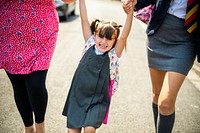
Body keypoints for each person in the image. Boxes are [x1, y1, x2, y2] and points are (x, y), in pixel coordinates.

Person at [123, 0, 200, 132]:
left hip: (186, 39)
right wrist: (133, 2)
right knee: (157, 94)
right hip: (159, 32)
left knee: (165, 104)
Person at [0, 0, 74, 132]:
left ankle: (40, 127)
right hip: (8, 29)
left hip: (41, 30)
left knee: (35, 85)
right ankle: (28, 128)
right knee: (18, 86)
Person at [62, 0, 136, 132]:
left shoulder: (113, 54)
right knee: (73, 130)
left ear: (114, 41)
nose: (104, 42)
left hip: (98, 99)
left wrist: (130, 13)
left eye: (109, 39)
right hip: (78, 95)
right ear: (94, 35)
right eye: (101, 37)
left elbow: (124, 35)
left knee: (90, 129)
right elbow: (84, 19)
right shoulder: (89, 43)